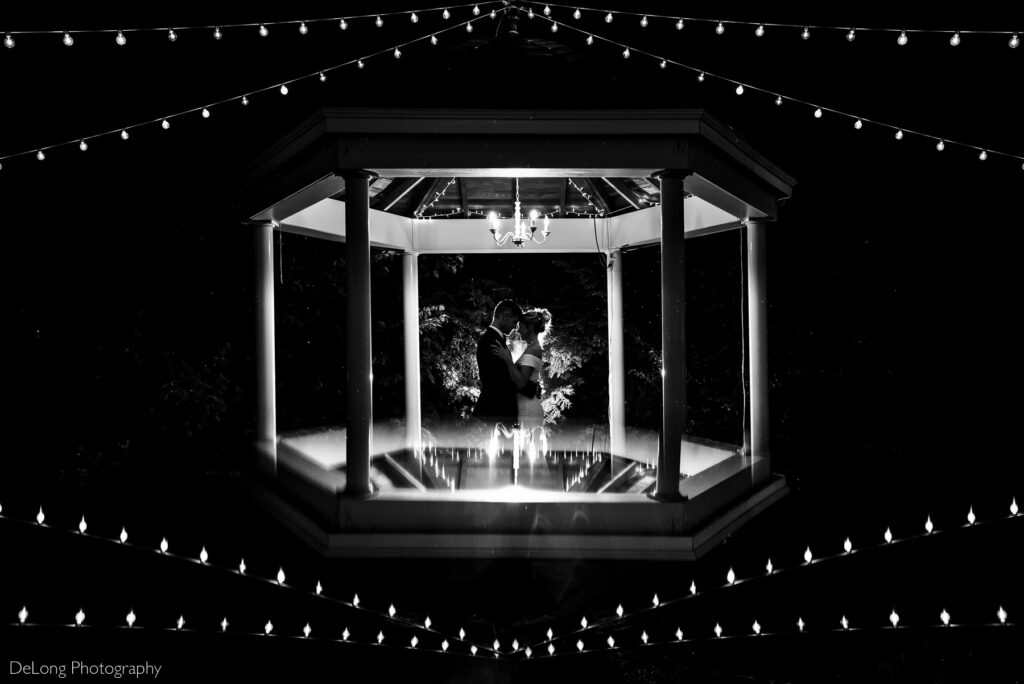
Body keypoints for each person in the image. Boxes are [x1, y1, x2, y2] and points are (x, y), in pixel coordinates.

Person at [492, 308, 551, 437]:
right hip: (524, 406)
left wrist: (507, 359)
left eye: (520, 326)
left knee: (529, 455)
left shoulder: (533, 349)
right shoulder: (532, 348)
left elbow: (521, 381)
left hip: (527, 409)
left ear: (529, 327)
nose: (517, 330)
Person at [473, 299, 522, 426]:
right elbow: (498, 380)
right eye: (514, 321)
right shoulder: (491, 341)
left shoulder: (496, 339)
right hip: (495, 413)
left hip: (498, 413)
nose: (515, 327)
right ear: (504, 316)